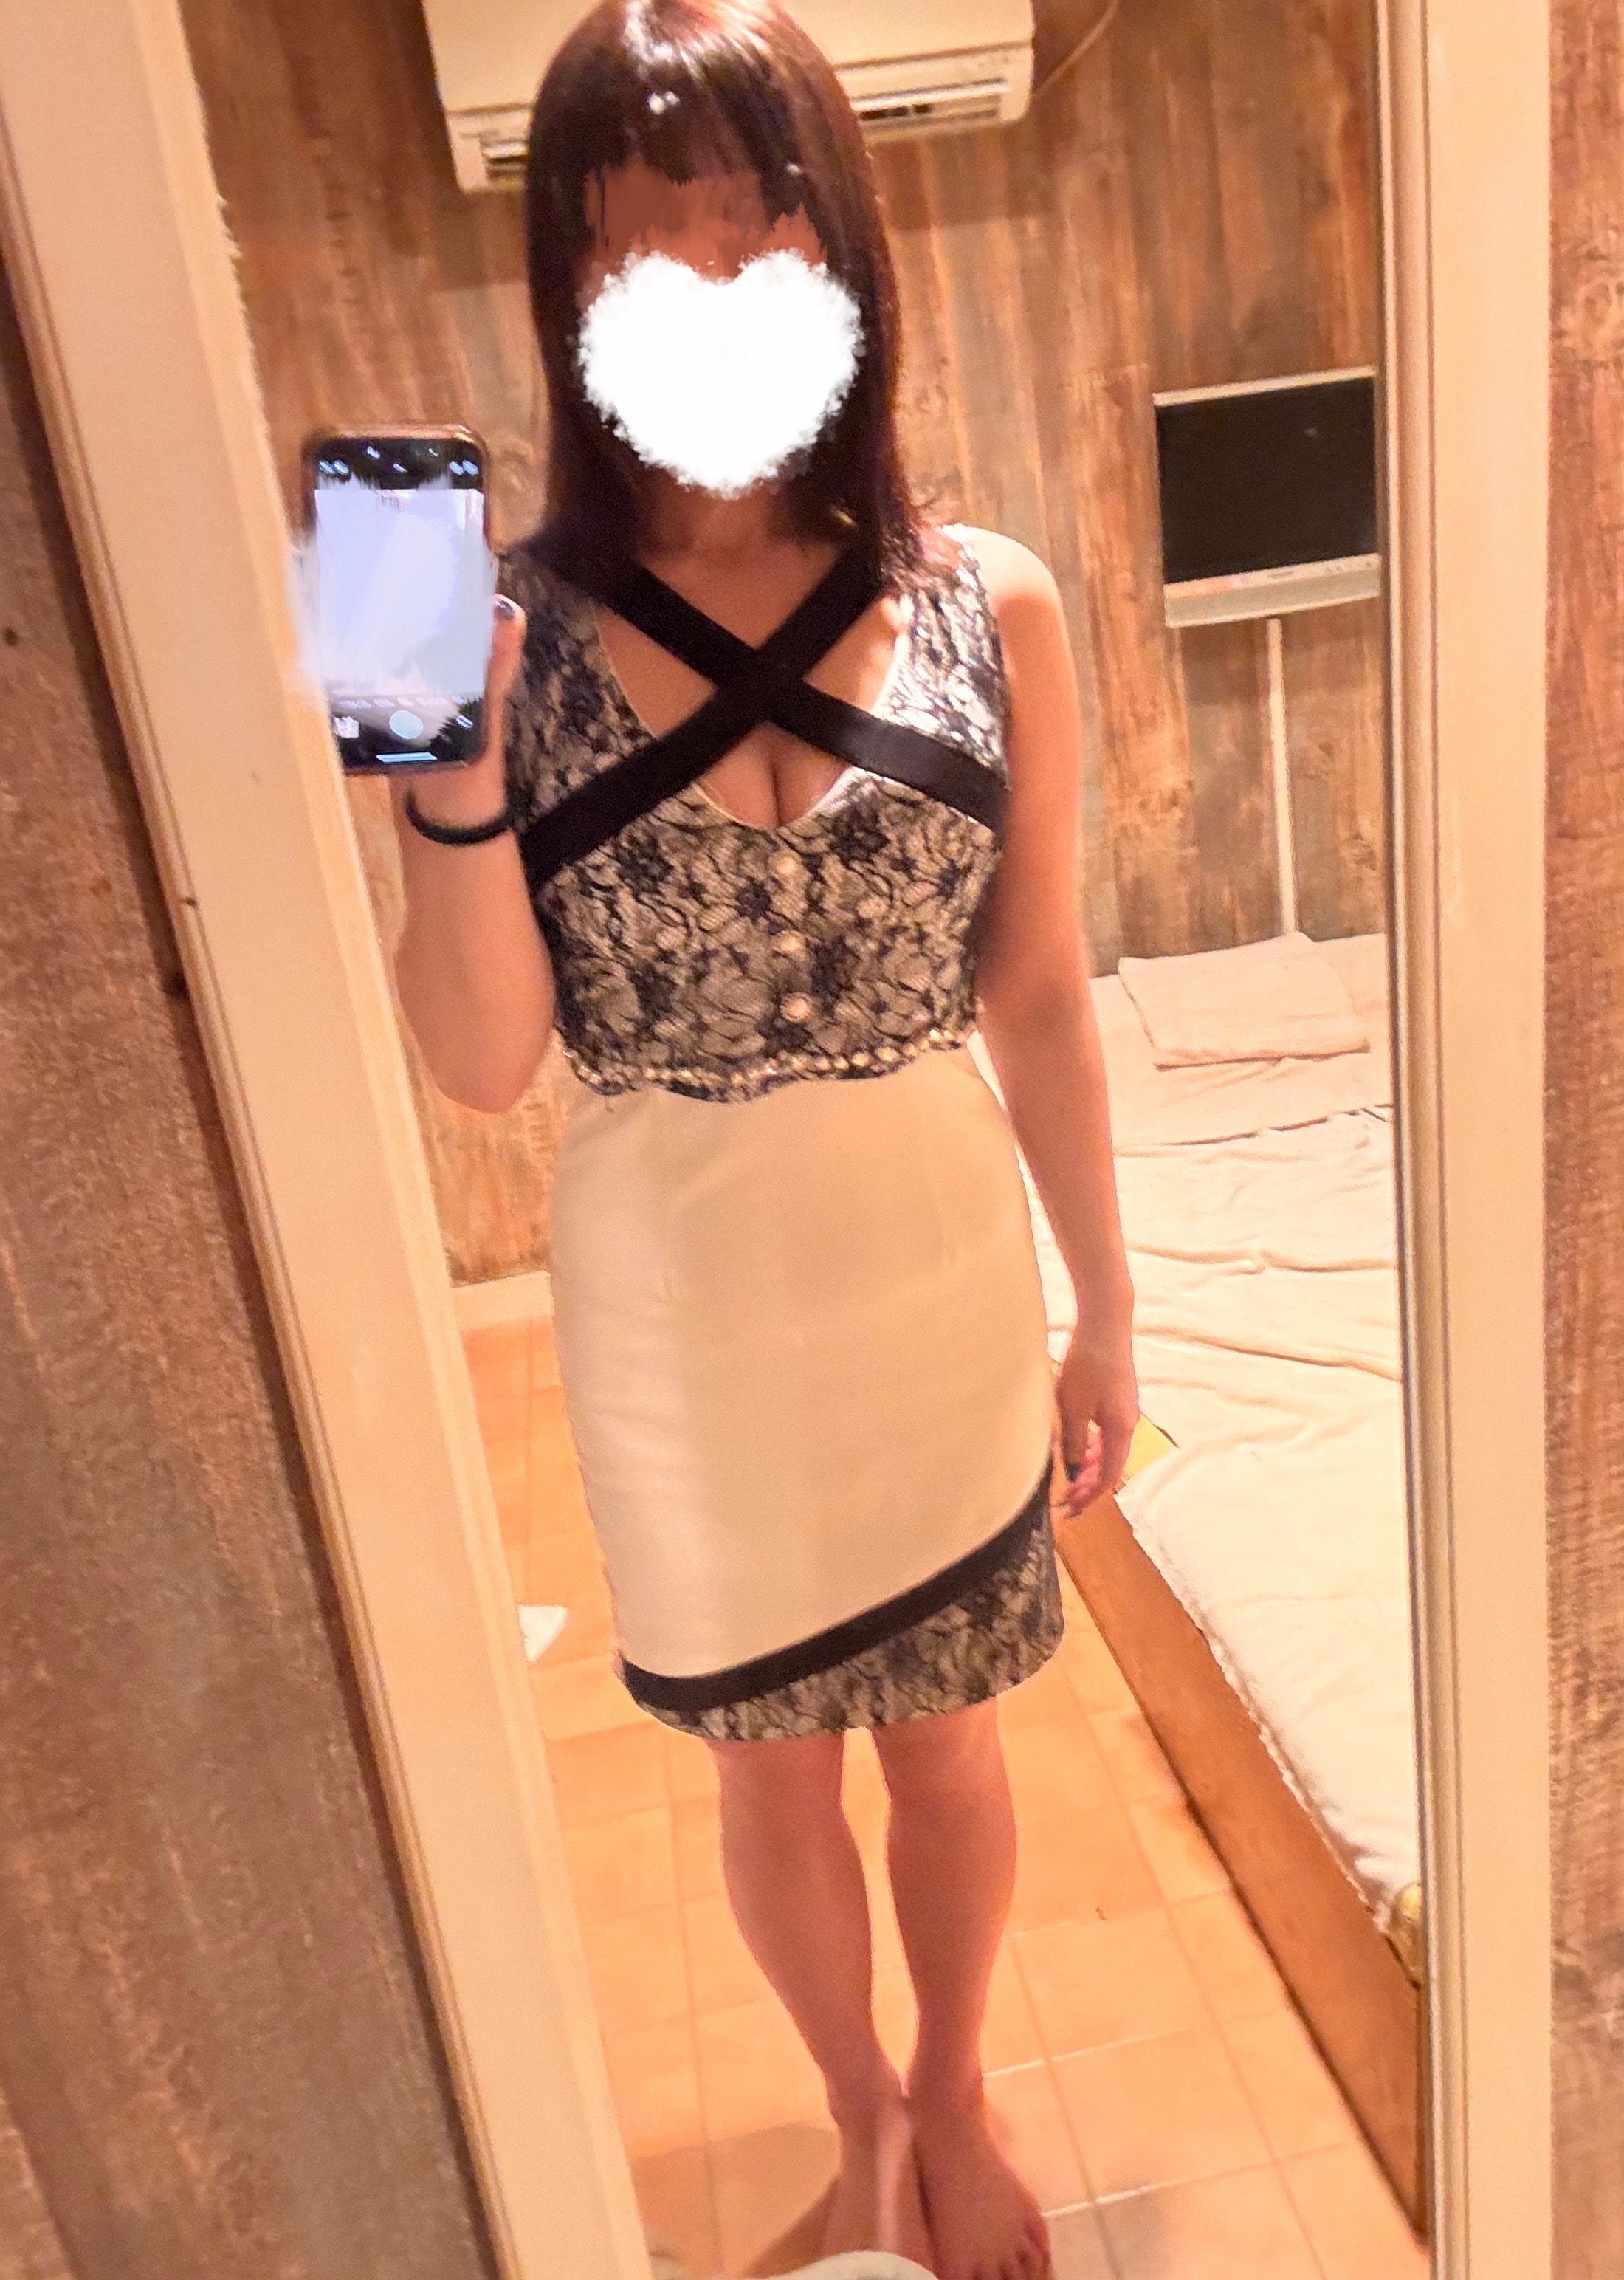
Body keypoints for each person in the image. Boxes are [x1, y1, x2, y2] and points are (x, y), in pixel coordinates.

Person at [388, 7, 1138, 2278]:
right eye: (652, 244)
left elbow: (1035, 987)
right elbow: (480, 1063)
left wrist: (1106, 1307)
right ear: (570, 285)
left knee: (951, 1740)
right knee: (765, 1758)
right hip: (678, 1306)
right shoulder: (464, 616)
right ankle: (861, 2128)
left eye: (759, 233)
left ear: (841, 263)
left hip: (932, 1270)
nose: (713, 287)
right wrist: (441, 783)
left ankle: (956, 2094)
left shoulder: (992, 599)